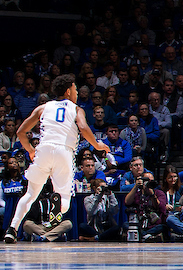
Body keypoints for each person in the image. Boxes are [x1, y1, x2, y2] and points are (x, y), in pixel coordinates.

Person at [5, 74, 109, 243]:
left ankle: (12, 229)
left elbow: (20, 132)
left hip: (44, 149)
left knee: (30, 194)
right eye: (75, 89)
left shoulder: (43, 108)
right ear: (68, 91)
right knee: (65, 199)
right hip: (64, 151)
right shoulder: (76, 109)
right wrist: (97, 146)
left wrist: (31, 150)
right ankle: (55, 209)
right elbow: (82, 127)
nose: (76, 92)